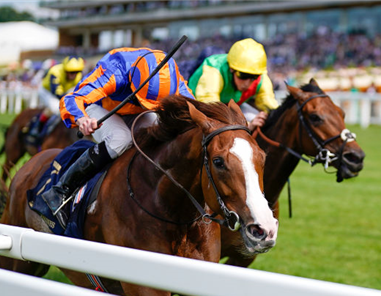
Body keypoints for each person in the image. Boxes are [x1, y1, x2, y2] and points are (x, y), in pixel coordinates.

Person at [42, 47, 194, 229]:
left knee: (157, 136)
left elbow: (194, 109)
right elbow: (73, 98)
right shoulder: (115, 70)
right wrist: (82, 119)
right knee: (121, 138)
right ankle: (61, 190)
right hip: (99, 107)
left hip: (135, 110)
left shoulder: (172, 77)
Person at [188, 38, 278, 131]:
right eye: (242, 75)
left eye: (253, 77)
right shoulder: (214, 69)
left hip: (230, 107)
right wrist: (246, 125)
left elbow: (272, 107)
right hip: (197, 109)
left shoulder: (261, 76)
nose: (247, 83)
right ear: (231, 69)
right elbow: (211, 108)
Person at [26, 56, 85, 145]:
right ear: (65, 71)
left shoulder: (79, 76)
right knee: (56, 109)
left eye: (77, 72)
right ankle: (37, 128)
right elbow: (57, 93)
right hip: (47, 91)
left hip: (64, 90)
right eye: (71, 72)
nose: (74, 75)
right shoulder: (55, 72)